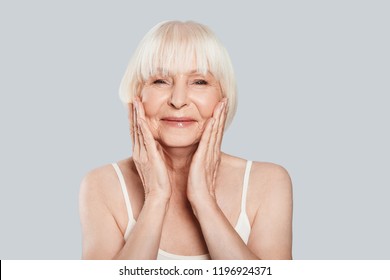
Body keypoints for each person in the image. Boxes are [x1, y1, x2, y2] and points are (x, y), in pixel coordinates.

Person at [79, 20, 293, 260]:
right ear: (137, 95)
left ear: (223, 97)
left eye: (199, 81)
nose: (178, 100)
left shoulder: (267, 183)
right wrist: (156, 198)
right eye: (160, 80)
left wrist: (204, 201)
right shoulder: (101, 185)